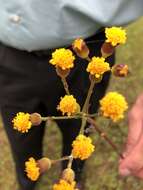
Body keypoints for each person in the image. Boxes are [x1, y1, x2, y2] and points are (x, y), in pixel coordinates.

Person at [0, 1, 143, 190]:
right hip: (7, 55)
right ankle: (27, 183)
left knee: (79, 133)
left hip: (86, 51)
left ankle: (73, 180)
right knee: (21, 140)